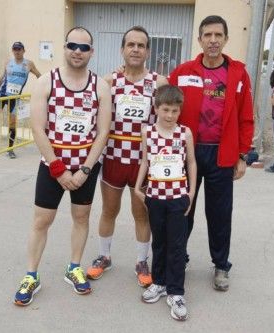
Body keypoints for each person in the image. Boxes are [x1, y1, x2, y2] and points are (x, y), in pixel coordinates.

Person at [13, 27, 111, 305]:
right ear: (65, 48)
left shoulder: (100, 86)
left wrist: (85, 171)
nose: (78, 52)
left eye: (84, 48)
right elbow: (38, 128)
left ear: (91, 52)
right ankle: (31, 275)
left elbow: (102, 133)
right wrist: (58, 169)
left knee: (81, 218)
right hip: (52, 167)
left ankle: (74, 267)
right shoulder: (46, 82)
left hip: (85, 170)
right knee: (42, 220)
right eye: (73, 46)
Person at [168, 15, 254, 291]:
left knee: (219, 214)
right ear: (200, 39)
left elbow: (246, 117)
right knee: (183, 210)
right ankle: (179, 258)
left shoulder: (238, 73)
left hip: (222, 155)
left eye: (218, 35)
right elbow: (165, 107)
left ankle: (220, 265)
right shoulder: (182, 72)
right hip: (186, 154)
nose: (213, 40)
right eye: (208, 35)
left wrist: (242, 155)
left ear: (226, 39)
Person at [86, 26, 168, 287]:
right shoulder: (108, 82)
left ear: (148, 51)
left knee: (141, 214)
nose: (135, 49)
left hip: (144, 162)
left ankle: (142, 261)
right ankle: (104, 255)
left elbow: (169, 119)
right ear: (122, 49)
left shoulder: (160, 82)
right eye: (130, 44)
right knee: (109, 210)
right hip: (113, 157)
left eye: (140, 45)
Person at [135, 84, 196, 321]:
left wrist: (190, 193)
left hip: (178, 197)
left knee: (177, 245)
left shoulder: (185, 133)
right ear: (156, 108)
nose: (170, 115)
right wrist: (139, 188)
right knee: (159, 241)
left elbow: (191, 162)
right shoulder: (147, 132)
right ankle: (159, 282)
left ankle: (176, 291)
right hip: (156, 197)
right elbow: (144, 161)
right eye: (166, 110)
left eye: (175, 111)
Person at [0, 41, 41, 159]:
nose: (17, 51)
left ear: (23, 51)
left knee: (12, 123)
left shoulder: (29, 64)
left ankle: (10, 149)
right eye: (15, 49)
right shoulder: (8, 63)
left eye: (19, 49)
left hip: (15, 98)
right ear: (13, 51)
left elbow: (39, 76)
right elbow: (2, 77)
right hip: (2, 95)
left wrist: (42, 89)